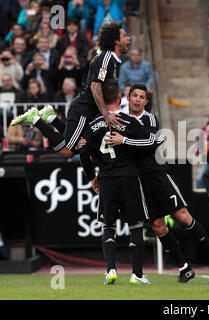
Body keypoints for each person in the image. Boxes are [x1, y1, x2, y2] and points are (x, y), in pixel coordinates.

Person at [105, 82, 209, 281]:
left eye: (141, 97)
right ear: (128, 98)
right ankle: (184, 267)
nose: (137, 99)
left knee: (183, 216)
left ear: (146, 101)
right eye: (134, 95)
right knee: (158, 226)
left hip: (157, 174)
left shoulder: (150, 119)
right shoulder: (118, 118)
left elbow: (150, 142)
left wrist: (125, 140)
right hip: (138, 180)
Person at [10, 22, 130, 159]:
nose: (128, 39)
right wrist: (106, 114)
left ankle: (50, 117)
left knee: (81, 147)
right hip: (83, 110)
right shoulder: (105, 58)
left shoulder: (115, 61)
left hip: (90, 112)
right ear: (116, 41)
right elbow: (95, 86)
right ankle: (35, 119)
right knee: (68, 151)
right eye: (125, 36)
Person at [79, 80, 151, 285]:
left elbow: (83, 152)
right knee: (136, 226)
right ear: (120, 99)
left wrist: (92, 177)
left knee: (108, 225)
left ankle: (111, 269)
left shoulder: (93, 124)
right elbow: (148, 145)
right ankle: (136, 274)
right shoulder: (131, 122)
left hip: (107, 180)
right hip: (129, 178)